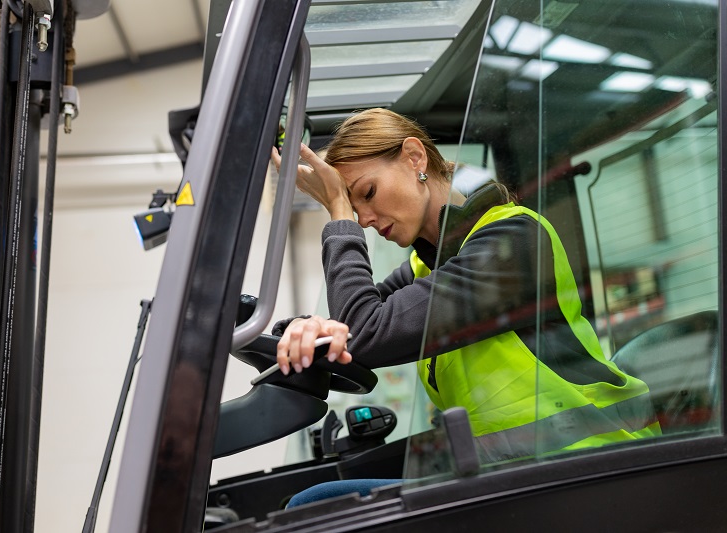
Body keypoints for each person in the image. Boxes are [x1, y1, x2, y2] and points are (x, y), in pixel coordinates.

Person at [269, 109, 660, 504]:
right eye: (354, 209)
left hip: (592, 472)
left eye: (367, 194)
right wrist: (304, 329)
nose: (365, 219)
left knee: (316, 507)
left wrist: (338, 211)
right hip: (507, 478)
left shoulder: (512, 242)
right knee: (319, 501)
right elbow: (351, 325)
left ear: (414, 158)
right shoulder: (425, 268)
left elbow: (367, 331)